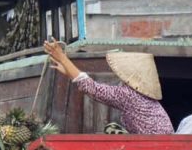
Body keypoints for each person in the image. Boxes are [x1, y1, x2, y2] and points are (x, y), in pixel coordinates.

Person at [44, 40, 174, 134]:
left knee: (111, 129)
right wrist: (68, 71)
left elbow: (91, 88)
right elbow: (88, 86)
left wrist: (62, 58)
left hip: (155, 144)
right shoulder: (143, 96)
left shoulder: (129, 95)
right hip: (163, 140)